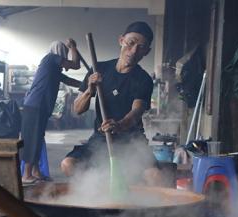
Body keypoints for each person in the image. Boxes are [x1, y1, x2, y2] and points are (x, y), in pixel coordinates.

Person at [60, 21, 161, 185]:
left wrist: (120, 125)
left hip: (132, 140)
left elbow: (136, 112)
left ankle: (139, 209)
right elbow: (77, 109)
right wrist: (89, 90)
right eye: (131, 43)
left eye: (141, 47)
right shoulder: (99, 69)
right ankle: (95, 199)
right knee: (68, 165)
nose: (134, 50)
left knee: (155, 176)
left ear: (147, 52)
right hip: (100, 138)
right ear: (121, 40)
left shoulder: (143, 79)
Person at [20, 39, 81, 184]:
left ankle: (35, 171)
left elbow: (71, 81)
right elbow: (76, 65)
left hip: (39, 107)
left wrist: (89, 84)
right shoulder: (51, 58)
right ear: (60, 52)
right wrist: (74, 47)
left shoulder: (53, 69)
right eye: (65, 53)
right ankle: (26, 174)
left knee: (38, 139)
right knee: (32, 139)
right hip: (35, 106)